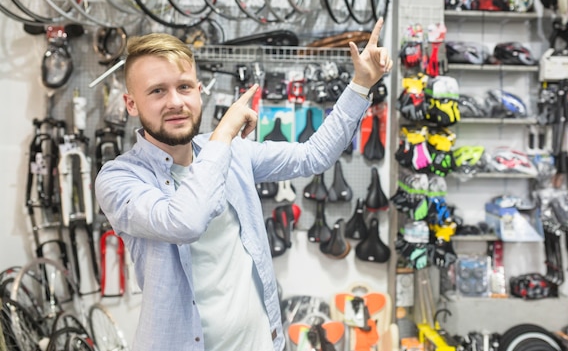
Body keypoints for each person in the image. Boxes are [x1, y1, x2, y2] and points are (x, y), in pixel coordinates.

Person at [94, 18, 393, 351]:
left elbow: (314, 156)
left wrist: (360, 84)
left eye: (184, 87)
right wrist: (223, 135)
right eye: (157, 91)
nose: (176, 102)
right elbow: (185, 221)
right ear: (131, 104)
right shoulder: (119, 178)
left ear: (198, 90)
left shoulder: (231, 153)